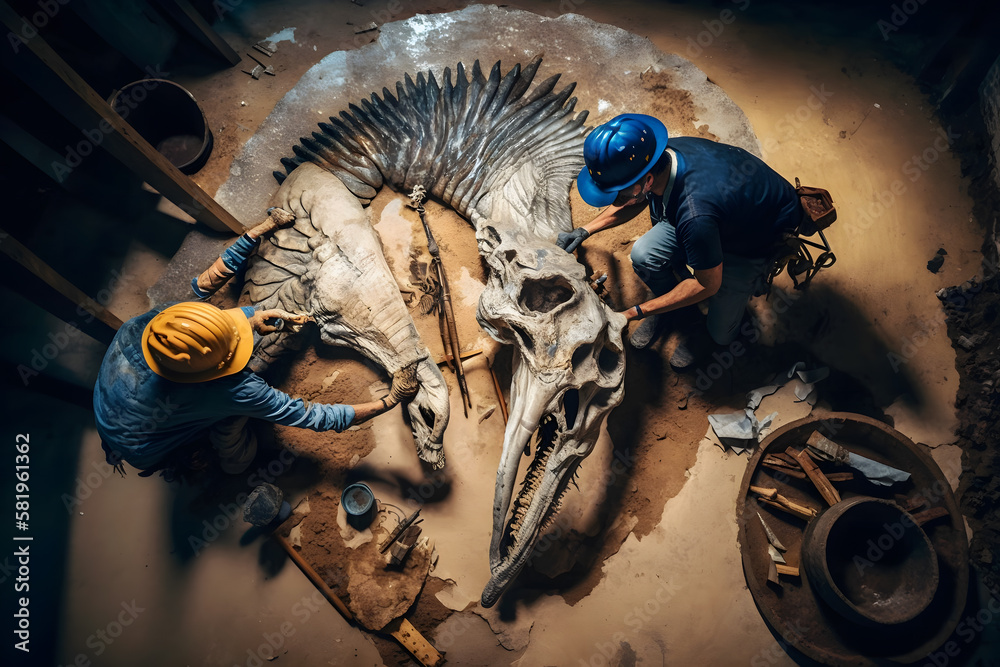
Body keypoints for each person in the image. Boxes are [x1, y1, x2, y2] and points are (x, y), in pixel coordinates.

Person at [94, 208, 419, 476]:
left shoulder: (157, 327)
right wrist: (389, 401)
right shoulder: (233, 390)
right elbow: (311, 416)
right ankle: (226, 463)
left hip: (108, 406)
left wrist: (261, 228)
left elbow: (206, 281)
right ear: (213, 372)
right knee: (233, 446)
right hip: (143, 447)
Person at [558, 114, 803, 368]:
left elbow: (706, 285)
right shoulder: (657, 156)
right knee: (644, 254)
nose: (612, 198)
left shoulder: (695, 214)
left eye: (615, 191)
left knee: (721, 333)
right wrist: (584, 230)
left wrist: (635, 312)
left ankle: (717, 328)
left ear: (646, 182)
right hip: (718, 214)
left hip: (751, 240)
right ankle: (674, 309)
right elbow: (633, 198)